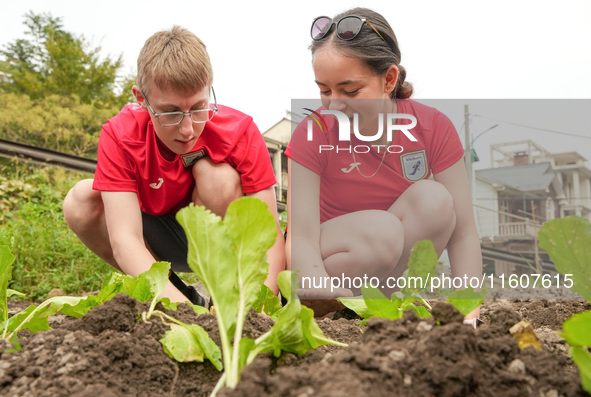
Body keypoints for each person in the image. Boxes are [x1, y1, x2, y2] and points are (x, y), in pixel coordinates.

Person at [285, 8, 482, 323]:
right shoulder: (313, 134)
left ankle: (383, 310)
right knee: (383, 232)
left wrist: (468, 313)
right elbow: (301, 238)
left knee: (436, 200)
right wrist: (314, 291)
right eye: (324, 90)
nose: (333, 104)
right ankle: (338, 314)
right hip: (323, 271)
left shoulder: (432, 128)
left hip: (382, 280)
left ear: (389, 79)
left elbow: (463, 234)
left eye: (350, 91)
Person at [63, 26, 285, 305]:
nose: (187, 129)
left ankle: (230, 296)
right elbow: (126, 240)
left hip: (221, 243)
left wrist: (257, 308)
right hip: (161, 240)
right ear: (141, 99)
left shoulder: (239, 132)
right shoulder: (120, 136)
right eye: (170, 113)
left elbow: (268, 233)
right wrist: (184, 315)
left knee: (217, 178)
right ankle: (179, 296)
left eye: (199, 107)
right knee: (80, 200)